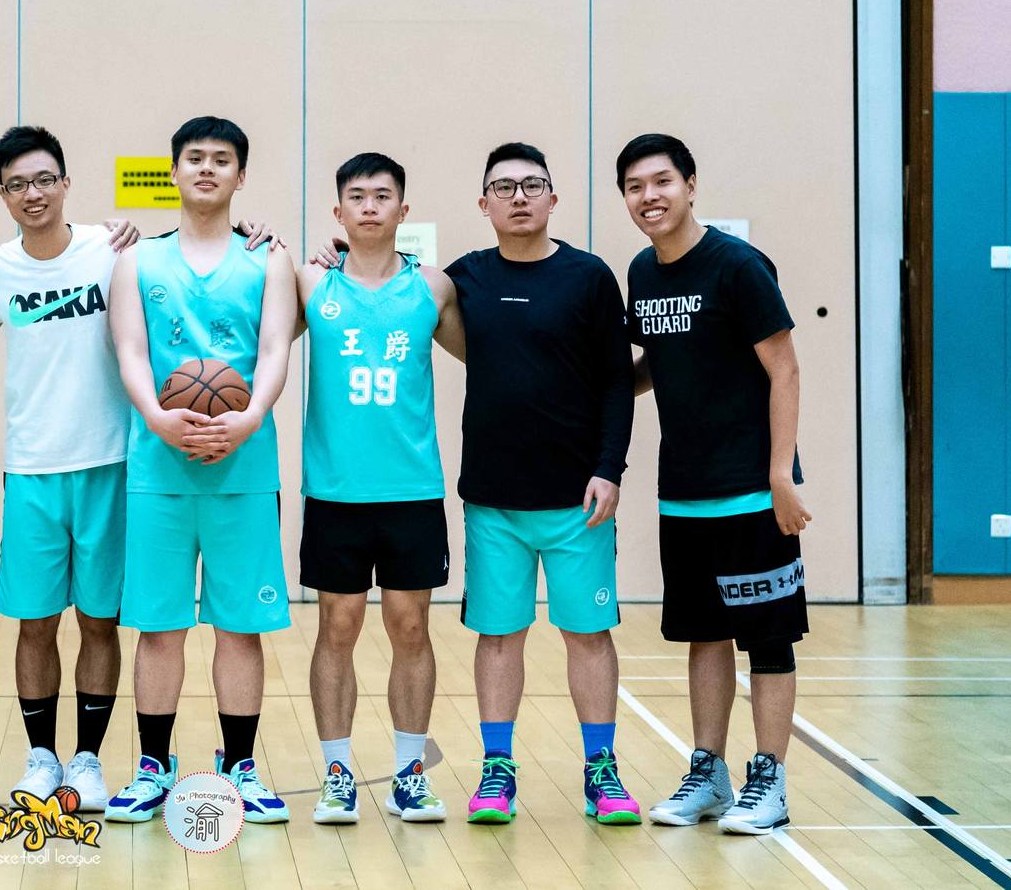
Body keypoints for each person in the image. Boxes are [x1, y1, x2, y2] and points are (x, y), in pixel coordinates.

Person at [103, 116, 299, 826]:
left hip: (243, 467)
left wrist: (251, 417)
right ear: (174, 171)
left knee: (240, 627)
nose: (207, 168)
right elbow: (129, 349)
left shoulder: (268, 259)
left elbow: (275, 349)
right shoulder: (138, 260)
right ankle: (153, 765)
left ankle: (239, 763)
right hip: (159, 466)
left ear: (241, 175)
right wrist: (157, 416)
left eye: (222, 159)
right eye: (195, 157)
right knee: (158, 627)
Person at [618, 133, 810, 836]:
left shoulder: (738, 266)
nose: (650, 196)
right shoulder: (642, 271)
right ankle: (709, 773)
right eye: (635, 186)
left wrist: (780, 474)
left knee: (767, 638)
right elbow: (659, 361)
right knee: (704, 635)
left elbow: (784, 368)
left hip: (753, 489)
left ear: (691, 185)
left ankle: (770, 779)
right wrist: (595, 387)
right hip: (683, 489)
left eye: (662, 181)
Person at [443, 143, 640, 827]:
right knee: (499, 637)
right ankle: (497, 770)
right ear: (484, 203)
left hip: (578, 499)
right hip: (492, 500)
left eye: (533, 185)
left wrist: (609, 468)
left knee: (588, 634)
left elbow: (617, 381)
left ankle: (601, 770)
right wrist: (332, 253)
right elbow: (386, 281)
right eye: (504, 187)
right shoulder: (464, 277)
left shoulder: (589, 277)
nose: (519, 197)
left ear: (554, 197)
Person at [0, 126, 136, 812]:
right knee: (34, 622)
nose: (32, 193)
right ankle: (42, 756)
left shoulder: (113, 249)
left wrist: (256, 232)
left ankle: (88, 761)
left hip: (108, 460)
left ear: (66, 182)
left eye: (44, 179)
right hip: (32, 467)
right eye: (17, 184)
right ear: (3, 194)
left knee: (99, 621)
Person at [297, 153, 461, 826]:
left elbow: (490, 354)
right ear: (337, 211)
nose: (369, 206)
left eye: (382, 195)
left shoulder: (433, 287)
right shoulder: (310, 281)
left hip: (412, 490)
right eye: (357, 196)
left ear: (403, 209)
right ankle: (338, 774)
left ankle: (409, 776)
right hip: (335, 492)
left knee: (411, 626)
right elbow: (260, 328)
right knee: (337, 627)